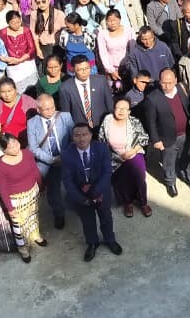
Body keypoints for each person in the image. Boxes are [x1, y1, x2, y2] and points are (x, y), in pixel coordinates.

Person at [62, 123, 122, 262]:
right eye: (77, 135)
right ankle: (92, 243)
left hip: (101, 191)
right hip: (81, 194)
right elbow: (68, 182)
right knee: (87, 220)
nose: (81, 139)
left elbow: (107, 172)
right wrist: (81, 199)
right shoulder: (67, 154)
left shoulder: (102, 148)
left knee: (106, 217)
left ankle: (110, 239)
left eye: (85, 134)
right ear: (72, 138)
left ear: (90, 135)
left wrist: (96, 191)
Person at [27, 94, 71, 229]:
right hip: (46, 162)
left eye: (52, 107)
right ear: (38, 110)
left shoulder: (65, 117)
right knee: (53, 191)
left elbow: (74, 138)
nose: (50, 111)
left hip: (66, 158)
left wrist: (65, 156)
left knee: (73, 184)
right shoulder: (32, 123)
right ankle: (59, 214)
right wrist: (51, 160)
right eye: (46, 109)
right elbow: (33, 148)